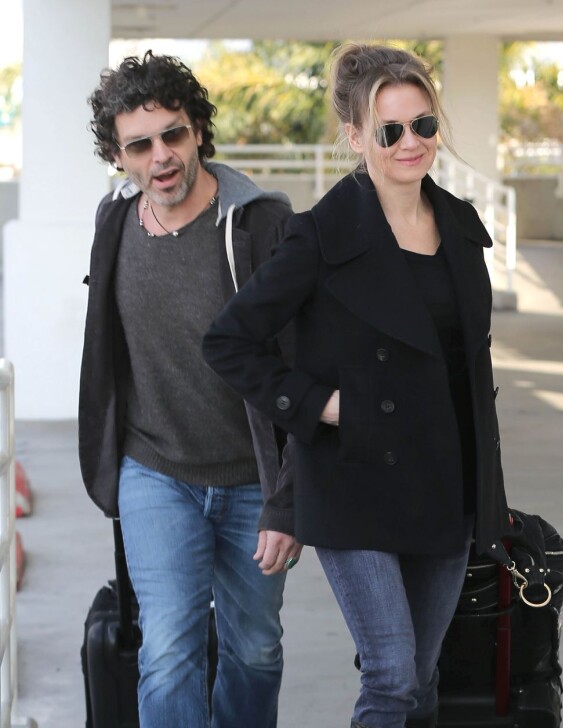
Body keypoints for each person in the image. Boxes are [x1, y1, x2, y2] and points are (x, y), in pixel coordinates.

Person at [203, 42, 511, 728]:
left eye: (424, 126)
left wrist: (490, 487)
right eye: (390, 130)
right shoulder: (317, 237)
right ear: (354, 136)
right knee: (392, 675)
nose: (411, 144)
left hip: (446, 484)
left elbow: (468, 365)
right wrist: (322, 406)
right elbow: (228, 341)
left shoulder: (460, 226)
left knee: (423, 681)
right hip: (355, 480)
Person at [78, 51, 300, 728]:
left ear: (199, 129)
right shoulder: (114, 223)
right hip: (156, 472)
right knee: (169, 650)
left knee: (254, 651)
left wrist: (288, 501)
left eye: (172, 134)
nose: (161, 157)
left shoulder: (260, 223)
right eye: (139, 145)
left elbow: (297, 363)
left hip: (250, 483)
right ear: (119, 157)